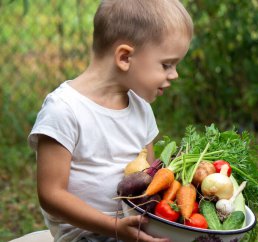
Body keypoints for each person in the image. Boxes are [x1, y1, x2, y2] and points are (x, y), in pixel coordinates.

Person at [27, 0, 193, 241]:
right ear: (125, 57)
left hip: (134, 231)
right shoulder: (64, 110)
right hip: (86, 236)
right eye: (166, 64)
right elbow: (51, 195)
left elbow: (148, 178)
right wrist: (114, 226)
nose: (175, 74)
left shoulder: (141, 108)